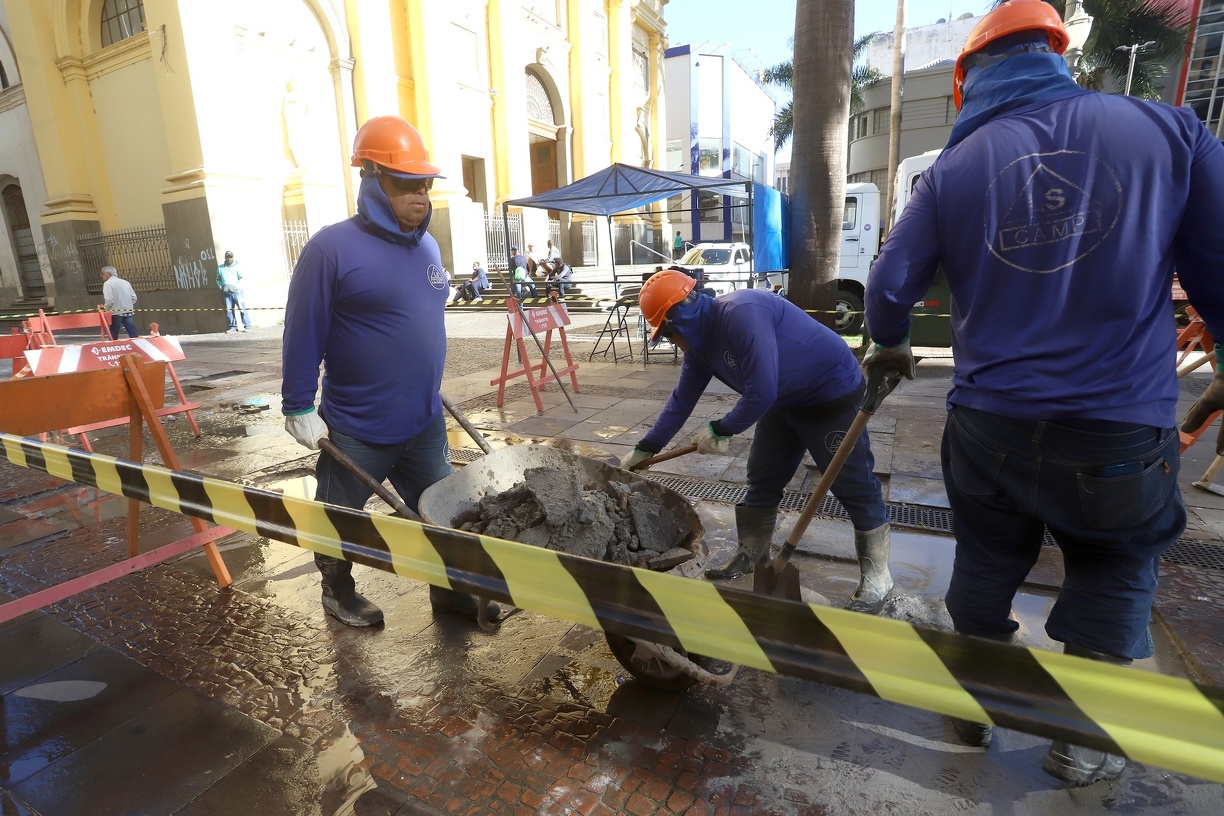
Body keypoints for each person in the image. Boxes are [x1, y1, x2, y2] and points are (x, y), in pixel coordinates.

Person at [861, 0, 1224, 786]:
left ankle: (973, 704)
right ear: (1060, 55)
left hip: (988, 422)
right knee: (1114, 566)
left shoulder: (951, 169)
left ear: (970, 79)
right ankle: (1083, 742)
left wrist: (889, 345)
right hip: (1118, 428)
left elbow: (888, 284)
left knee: (987, 561)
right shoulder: (1170, 132)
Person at [281, 115, 500, 628]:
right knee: (340, 520)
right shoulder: (330, 250)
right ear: (372, 179)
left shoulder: (427, 246)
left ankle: (449, 594)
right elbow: (302, 330)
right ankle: (337, 591)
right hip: (358, 426)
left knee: (442, 515)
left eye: (424, 185)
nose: (419, 197)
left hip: (422, 421)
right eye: (406, 185)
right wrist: (297, 405)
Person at [623, 269, 893, 614]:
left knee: (853, 485)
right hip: (783, 402)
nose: (671, 342)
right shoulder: (700, 347)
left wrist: (722, 427)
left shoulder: (742, 313)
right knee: (762, 478)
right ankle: (751, 555)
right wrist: (646, 447)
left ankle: (878, 578)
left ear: (681, 316)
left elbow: (761, 391)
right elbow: (681, 400)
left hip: (830, 398)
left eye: (668, 332)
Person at [216, 250, 252, 333]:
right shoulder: (220, 268)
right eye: (228, 257)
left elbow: (242, 278)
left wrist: (236, 287)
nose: (229, 259)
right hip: (226, 292)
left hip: (237, 291)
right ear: (225, 258)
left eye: (230, 257)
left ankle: (247, 325)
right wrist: (221, 286)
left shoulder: (237, 267)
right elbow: (218, 279)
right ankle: (232, 327)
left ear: (233, 257)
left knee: (242, 308)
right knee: (229, 310)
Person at [100, 266, 139, 339]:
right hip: (128, 310)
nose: (101, 276)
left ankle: (113, 347)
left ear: (107, 274)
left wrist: (106, 308)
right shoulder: (125, 282)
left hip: (115, 312)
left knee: (113, 333)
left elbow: (109, 299)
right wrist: (127, 304)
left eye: (102, 274)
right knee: (132, 331)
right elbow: (134, 298)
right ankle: (138, 345)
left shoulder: (108, 284)